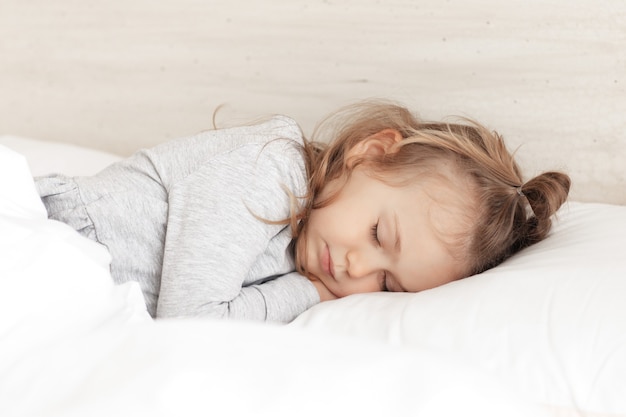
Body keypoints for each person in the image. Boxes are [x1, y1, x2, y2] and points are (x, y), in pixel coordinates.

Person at [35, 100, 570, 323]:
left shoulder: (312, 247)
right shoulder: (269, 169)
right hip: (47, 240)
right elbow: (193, 325)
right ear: (370, 154)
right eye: (379, 234)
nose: (359, 269)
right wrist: (309, 292)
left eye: (388, 286)